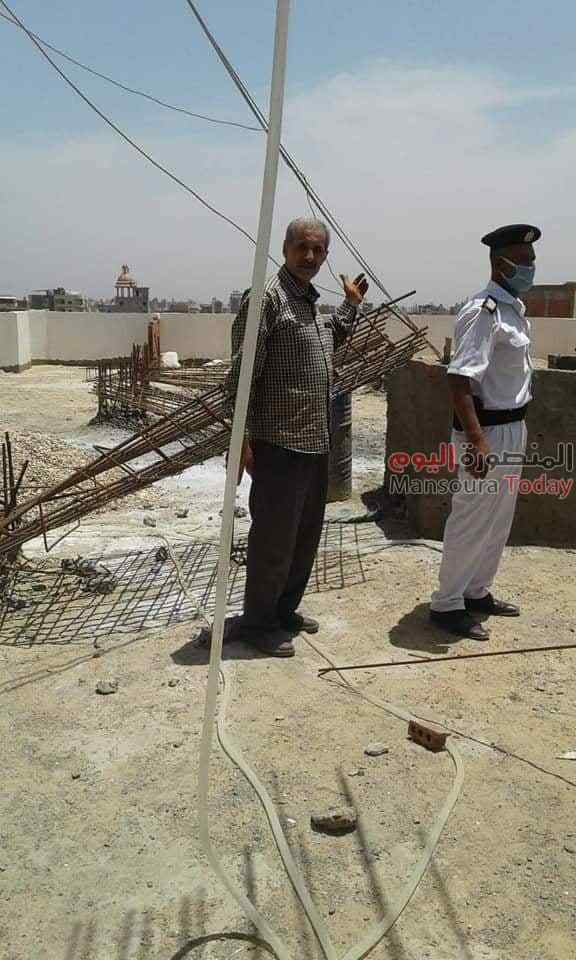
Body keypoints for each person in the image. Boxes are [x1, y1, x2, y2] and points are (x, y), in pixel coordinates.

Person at [224, 217, 368, 657]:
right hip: (279, 443)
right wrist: (240, 438)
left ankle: (283, 610)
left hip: (314, 440)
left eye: (318, 250)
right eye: (302, 247)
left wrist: (351, 305)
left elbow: (328, 341)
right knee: (273, 538)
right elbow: (242, 375)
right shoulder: (266, 299)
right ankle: (257, 623)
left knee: (305, 535)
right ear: (285, 248)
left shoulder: (307, 300)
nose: (310, 256)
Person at [429, 223, 541, 640]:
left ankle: (476, 591)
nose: (530, 268)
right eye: (523, 261)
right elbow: (460, 381)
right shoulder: (483, 311)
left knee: (498, 519)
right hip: (486, 433)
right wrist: (476, 442)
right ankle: (447, 604)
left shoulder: (513, 310)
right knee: (472, 518)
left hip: (512, 426)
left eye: (532, 260)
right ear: (500, 264)